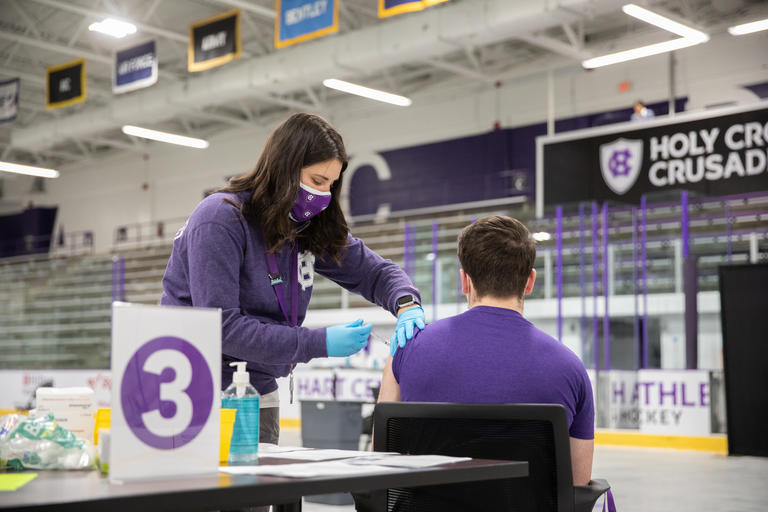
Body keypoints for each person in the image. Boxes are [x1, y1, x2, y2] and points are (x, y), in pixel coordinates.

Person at [161, 112, 425, 447]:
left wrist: (405, 302)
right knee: (200, 500)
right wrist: (318, 343)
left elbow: (375, 272)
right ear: (287, 167)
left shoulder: (305, 228)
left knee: (256, 500)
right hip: (195, 392)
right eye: (317, 181)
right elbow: (222, 328)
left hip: (259, 391)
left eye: (331, 184)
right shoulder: (220, 219)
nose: (324, 194)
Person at [378, 215, 594, 486]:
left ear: (464, 281)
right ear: (530, 282)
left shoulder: (405, 350)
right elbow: (576, 486)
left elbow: (382, 465)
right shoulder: (571, 369)